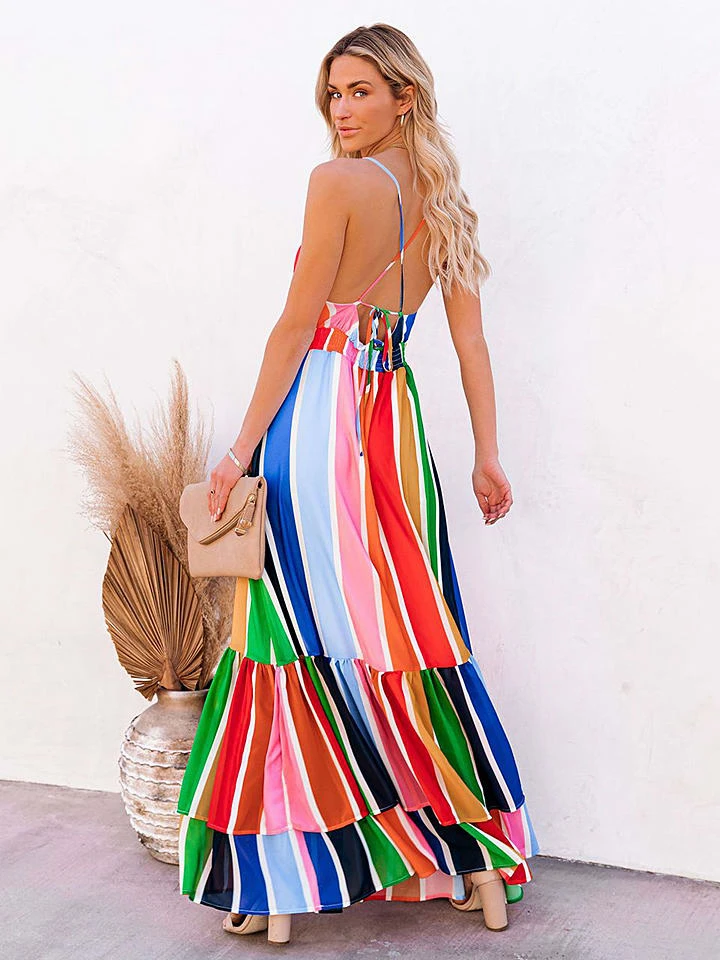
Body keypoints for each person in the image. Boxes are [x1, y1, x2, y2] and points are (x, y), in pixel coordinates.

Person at [176, 22, 540, 946]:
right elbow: (468, 343)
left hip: (317, 418)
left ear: (404, 96)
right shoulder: (445, 201)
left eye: (360, 91)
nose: (341, 110)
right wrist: (486, 454)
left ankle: (276, 880)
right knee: (407, 631)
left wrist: (237, 452)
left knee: (286, 631)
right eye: (333, 94)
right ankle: (474, 860)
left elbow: (296, 326)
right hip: (394, 426)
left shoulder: (335, 184)